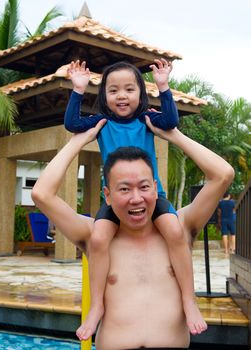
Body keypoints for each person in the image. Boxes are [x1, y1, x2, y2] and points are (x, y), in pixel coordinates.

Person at [31, 120, 234, 349]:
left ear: (155, 188)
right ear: (107, 195)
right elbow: (41, 194)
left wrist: (173, 135)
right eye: (124, 189)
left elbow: (223, 174)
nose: (136, 198)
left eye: (144, 187)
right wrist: (77, 141)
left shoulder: (180, 228)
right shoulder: (95, 236)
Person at [64, 59, 205, 339]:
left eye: (129, 89)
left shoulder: (146, 119)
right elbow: (72, 124)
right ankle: (97, 306)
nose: (122, 96)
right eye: (113, 90)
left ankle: (189, 300)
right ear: (104, 95)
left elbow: (171, 122)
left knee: (175, 232)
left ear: (141, 93)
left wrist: (163, 87)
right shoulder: (101, 123)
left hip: (154, 196)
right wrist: (78, 90)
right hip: (116, 201)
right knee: (99, 239)